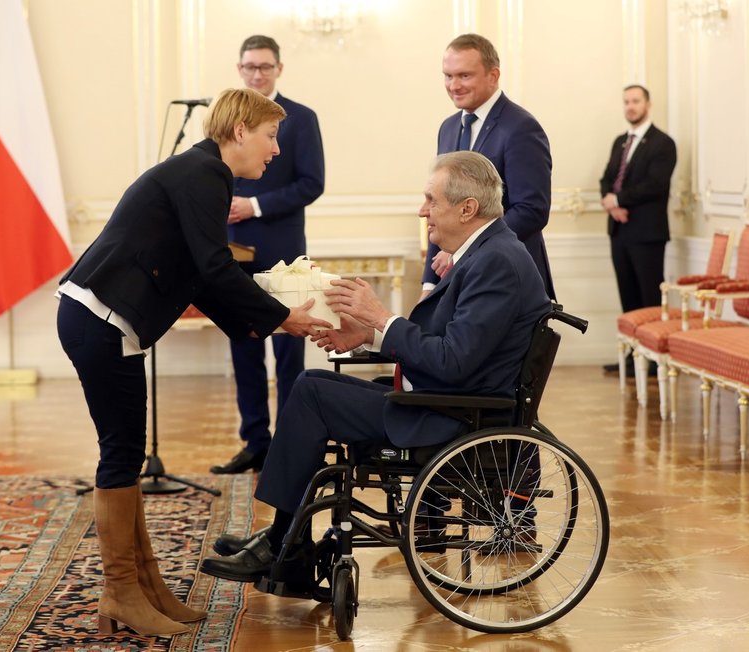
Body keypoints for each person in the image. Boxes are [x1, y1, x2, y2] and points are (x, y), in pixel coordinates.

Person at [200, 151, 551, 583]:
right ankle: (284, 538)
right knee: (314, 382)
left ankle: (280, 545)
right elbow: (450, 350)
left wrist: (380, 318)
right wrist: (367, 336)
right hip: (446, 400)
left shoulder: (495, 261)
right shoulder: (491, 252)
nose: (423, 211)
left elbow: (454, 360)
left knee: (311, 392)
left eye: (430, 200)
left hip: (456, 414)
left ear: (467, 208)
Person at [56, 88, 330, 637]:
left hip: (109, 320)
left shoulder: (204, 172)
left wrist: (259, 323)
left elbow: (201, 274)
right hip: (100, 320)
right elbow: (213, 268)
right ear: (240, 132)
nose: (275, 150)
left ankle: (146, 586)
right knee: (121, 455)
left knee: (127, 453)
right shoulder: (205, 175)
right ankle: (120, 593)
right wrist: (279, 319)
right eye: (271, 136)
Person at [212, 35, 326, 476]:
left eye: (264, 67)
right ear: (239, 69)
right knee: (244, 344)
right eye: (249, 67)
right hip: (234, 250)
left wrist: (254, 205)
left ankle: (292, 444)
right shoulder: (230, 119)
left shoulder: (302, 119)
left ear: (279, 68)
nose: (256, 74)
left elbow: (311, 184)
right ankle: (255, 442)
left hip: (281, 250)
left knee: (288, 352)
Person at [422, 33, 555, 300]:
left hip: (508, 279)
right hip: (455, 282)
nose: (454, 85)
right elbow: (439, 208)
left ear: (493, 76)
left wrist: (463, 249)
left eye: (464, 76)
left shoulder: (521, 127)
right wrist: (428, 284)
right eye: (448, 76)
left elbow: (532, 211)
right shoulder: (448, 128)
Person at [600, 84, 677, 373]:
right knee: (628, 298)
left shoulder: (663, 143)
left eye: (635, 101)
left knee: (648, 299)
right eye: (626, 102)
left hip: (647, 234)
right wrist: (611, 203)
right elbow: (607, 179)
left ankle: (654, 361)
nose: (630, 106)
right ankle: (633, 361)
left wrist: (618, 199)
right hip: (618, 231)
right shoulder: (620, 141)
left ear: (648, 104)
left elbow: (655, 186)